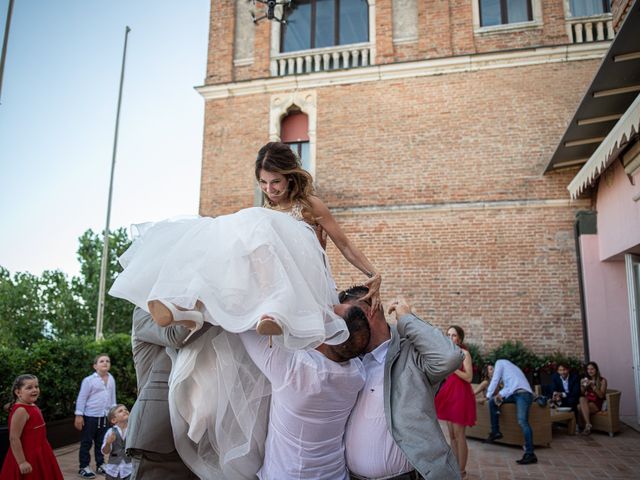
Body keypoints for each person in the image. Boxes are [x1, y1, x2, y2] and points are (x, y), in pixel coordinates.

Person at [109, 141, 380, 350]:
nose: (270, 189)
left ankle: (271, 305)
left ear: (289, 177)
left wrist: (373, 273)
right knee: (224, 233)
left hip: (305, 280)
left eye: (276, 182)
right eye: (263, 182)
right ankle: (191, 305)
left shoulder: (308, 205)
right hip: (276, 279)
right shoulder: (264, 214)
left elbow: (344, 244)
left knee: (250, 220)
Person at [339, 286, 463, 480]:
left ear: (369, 312)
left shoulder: (411, 355)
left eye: (348, 318)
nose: (343, 327)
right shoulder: (351, 361)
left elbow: (449, 357)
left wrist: (406, 318)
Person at [236, 304, 371, 480]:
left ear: (329, 335)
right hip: (335, 474)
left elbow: (240, 322)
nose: (328, 305)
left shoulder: (295, 371)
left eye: (331, 312)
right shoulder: (356, 375)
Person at [126, 307, 205, 479]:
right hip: (158, 435)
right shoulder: (143, 310)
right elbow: (175, 336)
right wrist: (204, 299)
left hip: (198, 435)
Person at [0, 374, 63, 480]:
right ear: (18, 392)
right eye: (29, 388)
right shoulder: (21, 410)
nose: (35, 390)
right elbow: (14, 438)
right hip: (28, 455)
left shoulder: (31, 404)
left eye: (36, 386)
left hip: (41, 452)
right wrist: (22, 462)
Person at [435, 325, 476, 478]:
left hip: (461, 396)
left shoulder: (464, 353)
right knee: (451, 436)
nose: (450, 338)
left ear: (460, 338)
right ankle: (455, 467)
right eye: (448, 335)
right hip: (449, 394)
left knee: (460, 435)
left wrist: (454, 369)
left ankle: (462, 470)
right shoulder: (449, 353)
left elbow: (469, 377)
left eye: (453, 335)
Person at [485, 359, 537, 465]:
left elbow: (495, 380)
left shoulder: (500, 362)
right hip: (515, 393)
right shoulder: (511, 369)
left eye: (491, 369)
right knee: (493, 402)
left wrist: (487, 395)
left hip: (523, 394)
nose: (492, 371)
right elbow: (510, 387)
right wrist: (499, 395)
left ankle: (530, 453)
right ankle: (496, 431)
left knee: (522, 421)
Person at [75, 353, 117, 478]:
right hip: (90, 417)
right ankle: (84, 466)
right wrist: (79, 415)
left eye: (107, 361)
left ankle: (100, 464)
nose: (105, 363)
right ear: (95, 366)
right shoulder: (89, 380)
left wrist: (113, 414)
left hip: (104, 417)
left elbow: (112, 397)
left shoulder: (111, 379)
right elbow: (82, 398)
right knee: (86, 442)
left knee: (101, 442)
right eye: (102, 361)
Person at [101, 404, 132, 480]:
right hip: (112, 470)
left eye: (126, 409)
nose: (125, 411)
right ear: (114, 420)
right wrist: (108, 443)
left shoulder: (133, 430)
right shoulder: (110, 432)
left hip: (129, 469)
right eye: (120, 411)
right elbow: (105, 452)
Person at [577, 361, 608, 435]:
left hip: (597, 403)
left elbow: (601, 395)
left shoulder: (602, 380)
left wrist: (593, 386)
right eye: (588, 369)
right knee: (581, 399)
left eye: (592, 369)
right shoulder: (586, 379)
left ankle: (585, 426)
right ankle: (588, 425)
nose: (590, 371)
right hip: (588, 402)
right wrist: (582, 385)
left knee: (579, 407)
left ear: (596, 370)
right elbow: (582, 393)